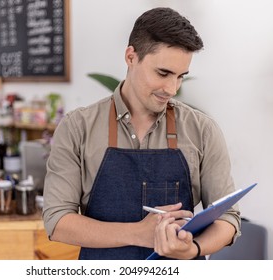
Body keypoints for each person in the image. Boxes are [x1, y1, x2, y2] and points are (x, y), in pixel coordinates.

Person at [42, 7, 240, 260]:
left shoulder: (202, 130)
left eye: (181, 77)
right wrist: (140, 233)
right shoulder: (77, 127)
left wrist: (194, 249)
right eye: (163, 73)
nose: (172, 88)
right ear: (131, 57)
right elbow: (57, 221)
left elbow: (228, 218)